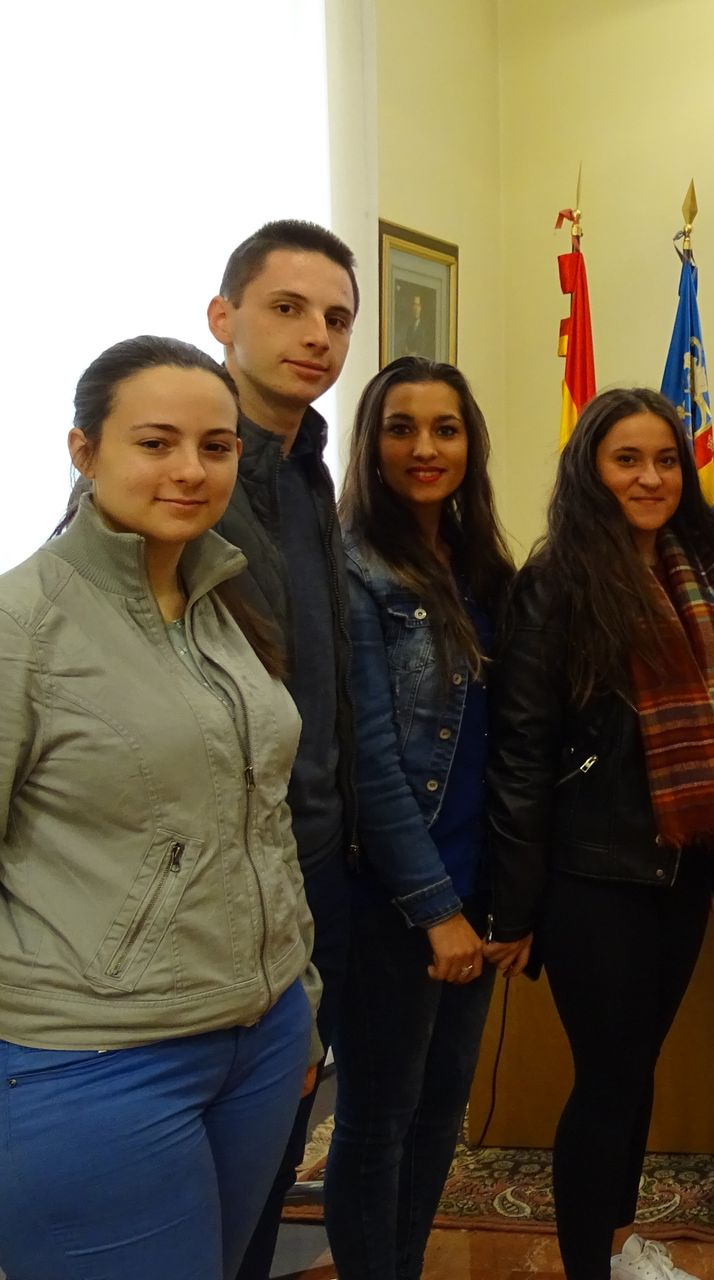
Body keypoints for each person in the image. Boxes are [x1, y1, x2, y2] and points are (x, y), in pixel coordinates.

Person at [0, 337, 319, 1278]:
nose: (189, 470)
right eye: (156, 442)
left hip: (256, 1042)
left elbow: (261, 818)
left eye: (215, 447)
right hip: (93, 1060)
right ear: (83, 450)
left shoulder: (221, 606)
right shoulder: (23, 627)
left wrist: (296, 1000)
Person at [483, 387, 714, 1280]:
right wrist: (515, 904)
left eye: (665, 460)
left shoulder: (702, 570)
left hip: (677, 867)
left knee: (634, 1070)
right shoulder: (556, 580)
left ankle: (614, 1246)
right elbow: (521, 751)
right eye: (626, 460)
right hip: (590, 876)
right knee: (607, 1078)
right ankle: (586, 1267)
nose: (650, 477)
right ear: (589, 472)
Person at [323, 358, 516, 1277]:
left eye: (444, 428)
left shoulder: (481, 566)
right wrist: (434, 909)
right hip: (396, 898)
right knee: (378, 1117)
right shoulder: (351, 567)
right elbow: (365, 761)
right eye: (401, 428)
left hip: (474, 884)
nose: (424, 448)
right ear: (371, 442)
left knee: (443, 1108)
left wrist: (491, 903)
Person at [207, 218, 365, 1280]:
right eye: (288, 307)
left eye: (336, 317)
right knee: (201, 1198)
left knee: (265, 1169)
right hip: (216, 877)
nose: (316, 335)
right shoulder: (186, 468)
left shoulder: (310, 466)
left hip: (312, 863)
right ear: (222, 318)